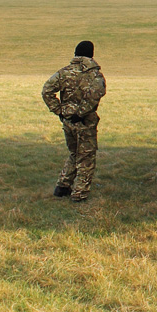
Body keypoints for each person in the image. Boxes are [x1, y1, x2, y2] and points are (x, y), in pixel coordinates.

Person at [42, 40, 106, 202]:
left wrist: (60, 111)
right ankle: (79, 194)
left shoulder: (64, 72)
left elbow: (47, 91)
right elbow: (97, 93)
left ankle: (62, 187)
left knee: (74, 153)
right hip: (86, 122)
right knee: (86, 157)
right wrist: (82, 112)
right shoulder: (94, 73)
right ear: (91, 54)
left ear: (76, 53)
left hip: (68, 121)